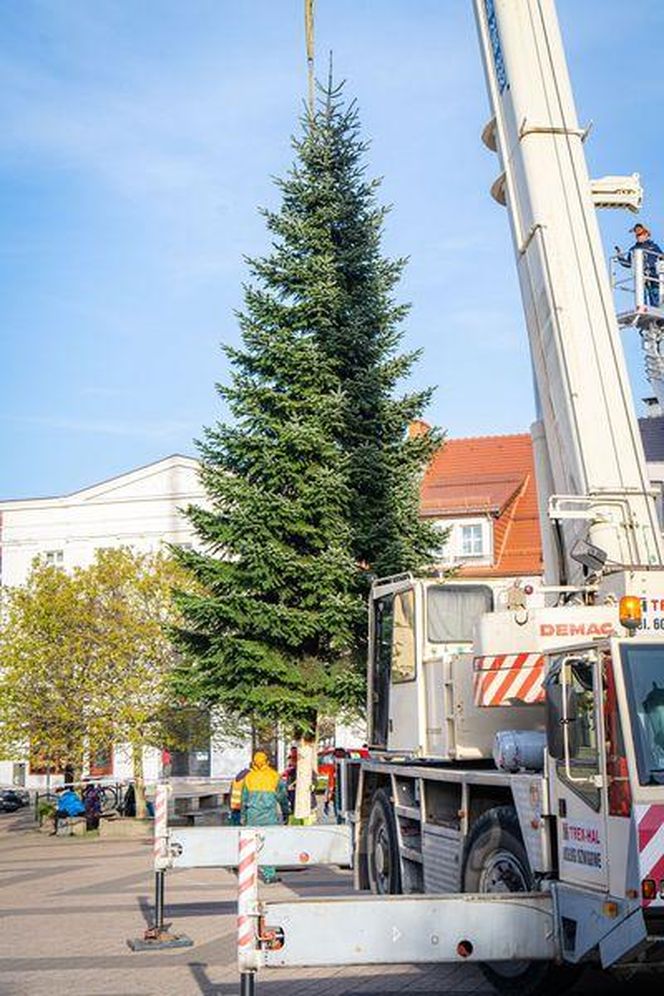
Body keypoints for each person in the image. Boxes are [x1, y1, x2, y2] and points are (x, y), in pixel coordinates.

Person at [241, 750, 289, 883]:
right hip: (269, 816)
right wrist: (286, 812)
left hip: (253, 815)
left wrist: (243, 817)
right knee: (269, 844)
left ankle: (249, 872)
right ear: (267, 762)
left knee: (251, 845)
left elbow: (244, 799)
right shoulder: (274, 776)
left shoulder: (249, 777)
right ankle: (269, 874)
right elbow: (282, 797)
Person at [616, 222, 663, 307]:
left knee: (655, 298)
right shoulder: (633, 249)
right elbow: (628, 264)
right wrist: (620, 257)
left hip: (653, 276)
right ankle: (643, 312)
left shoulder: (654, 247)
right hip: (640, 277)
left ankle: (657, 315)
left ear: (646, 234)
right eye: (637, 235)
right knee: (641, 299)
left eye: (640, 234)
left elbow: (662, 258)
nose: (638, 236)